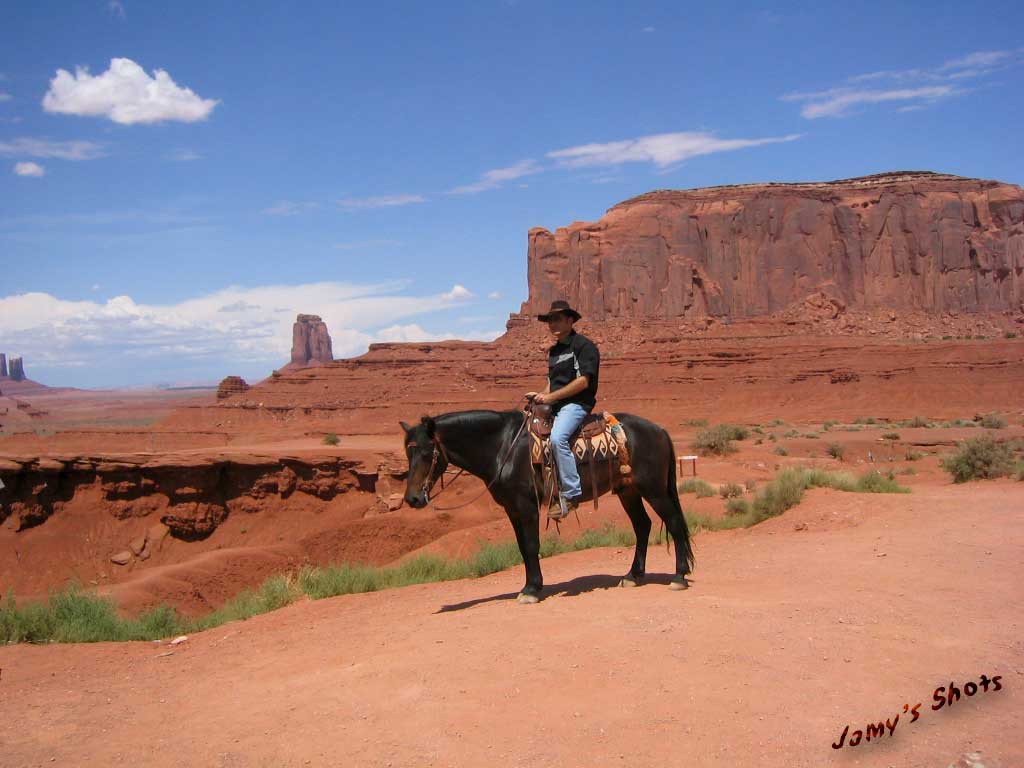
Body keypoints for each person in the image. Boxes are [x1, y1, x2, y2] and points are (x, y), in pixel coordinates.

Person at [525, 300, 600, 520]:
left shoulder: (584, 346)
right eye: (550, 320)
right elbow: (552, 383)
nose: (553, 324)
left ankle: (571, 493)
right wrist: (539, 397)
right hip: (556, 404)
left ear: (570, 320)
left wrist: (550, 397)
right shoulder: (554, 351)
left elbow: (584, 381)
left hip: (577, 405)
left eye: (558, 319)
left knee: (558, 439)